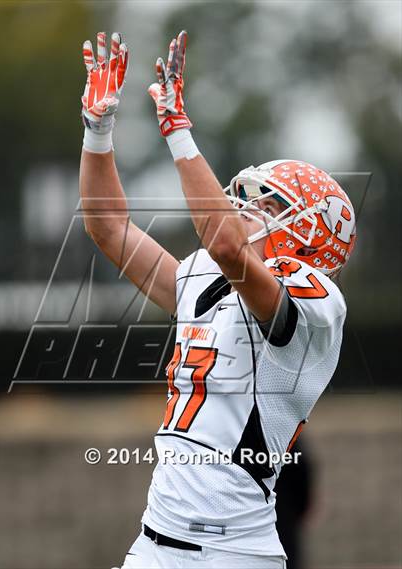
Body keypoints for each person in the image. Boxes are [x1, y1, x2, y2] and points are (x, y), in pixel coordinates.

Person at [79, 31, 356, 569]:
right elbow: (109, 228)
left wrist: (178, 132)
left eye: (265, 204)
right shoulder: (206, 277)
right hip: (154, 541)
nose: (244, 207)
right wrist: (98, 131)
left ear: (311, 232)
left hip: (234, 553)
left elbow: (227, 243)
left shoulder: (318, 303)